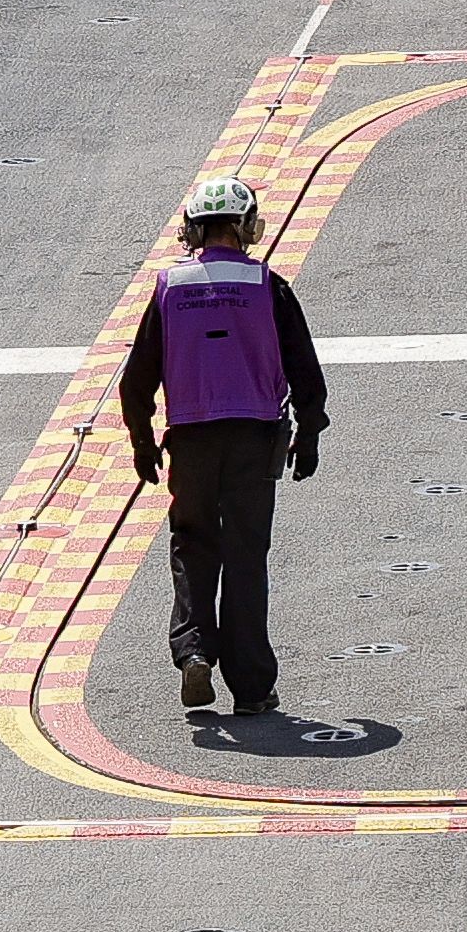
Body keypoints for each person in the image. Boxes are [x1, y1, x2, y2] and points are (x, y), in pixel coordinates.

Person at [120, 170, 329, 718]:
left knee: (192, 545)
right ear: (247, 226)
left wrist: (143, 443)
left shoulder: (170, 288)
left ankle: (193, 652)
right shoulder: (269, 286)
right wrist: (308, 437)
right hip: (255, 440)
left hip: (189, 440)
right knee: (245, 556)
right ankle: (253, 688)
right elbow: (305, 372)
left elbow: (136, 379)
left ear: (191, 227)